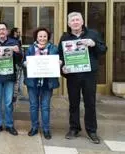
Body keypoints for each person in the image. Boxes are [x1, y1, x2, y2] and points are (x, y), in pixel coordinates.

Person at [58, 12, 107, 144]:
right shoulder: (65, 38)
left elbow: (103, 50)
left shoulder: (93, 34)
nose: (75, 22)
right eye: (72, 20)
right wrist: (62, 66)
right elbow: (60, 56)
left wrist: (94, 44)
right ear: (68, 24)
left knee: (90, 102)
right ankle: (74, 128)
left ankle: (91, 130)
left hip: (89, 74)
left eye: (77, 19)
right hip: (73, 75)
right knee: (73, 103)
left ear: (82, 21)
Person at [23, 27, 60, 140]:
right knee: (33, 106)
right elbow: (24, 61)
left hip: (47, 83)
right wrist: (25, 63)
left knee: (45, 107)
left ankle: (46, 129)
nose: (42, 38)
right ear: (36, 37)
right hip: (33, 83)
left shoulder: (54, 48)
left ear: (48, 37)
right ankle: (34, 127)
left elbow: (59, 61)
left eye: (44, 36)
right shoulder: (30, 49)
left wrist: (60, 62)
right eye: (40, 36)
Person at [9, 27, 25, 102]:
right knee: (17, 80)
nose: (18, 33)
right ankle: (14, 95)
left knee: (18, 80)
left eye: (19, 32)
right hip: (15, 63)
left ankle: (16, 95)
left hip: (19, 63)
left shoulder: (18, 40)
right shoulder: (12, 41)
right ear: (13, 32)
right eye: (17, 32)